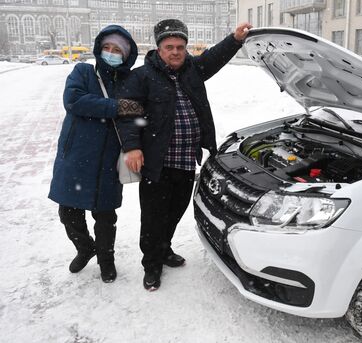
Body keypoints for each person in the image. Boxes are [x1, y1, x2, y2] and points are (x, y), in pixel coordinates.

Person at [117, 19, 252, 290]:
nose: (176, 52)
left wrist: (235, 40)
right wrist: (132, 147)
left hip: (186, 160)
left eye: (180, 46)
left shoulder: (193, 70)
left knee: (176, 211)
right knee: (153, 217)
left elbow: (214, 57)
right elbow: (127, 114)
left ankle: (164, 249)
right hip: (158, 163)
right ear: (159, 49)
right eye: (170, 47)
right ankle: (151, 264)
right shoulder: (141, 77)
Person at [48, 25, 142, 283]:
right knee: (68, 213)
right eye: (107, 48)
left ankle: (106, 259)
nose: (111, 53)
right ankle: (84, 247)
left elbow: (136, 115)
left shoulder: (128, 82)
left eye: (118, 51)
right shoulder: (83, 72)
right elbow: (74, 101)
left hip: (107, 160)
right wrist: (116, 106)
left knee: (105, 217)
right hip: (76, 156)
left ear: (126, 56)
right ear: (100, 49)